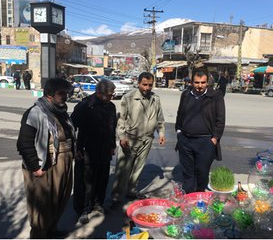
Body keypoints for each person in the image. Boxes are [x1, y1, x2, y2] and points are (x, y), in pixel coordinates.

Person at [17, 78, 75, 238]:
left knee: (60, 198)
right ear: (49, 94)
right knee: (42, 204)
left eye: (66, 93)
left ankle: (51, 230)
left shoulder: (61, 112)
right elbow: (24, 143)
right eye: (61, 93)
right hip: (45, 165)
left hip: (64, 162)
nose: (65, 96)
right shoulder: (36, 112)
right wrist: (35, 167)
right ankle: (39, 234)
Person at [110, 72, 166, 208]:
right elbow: (121, 120)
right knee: (123, 170)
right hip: (129, 140)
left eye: (150, 85)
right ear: (138, 83)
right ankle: (116, 197)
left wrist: (162, 133)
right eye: (144, 85)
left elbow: (160, 119)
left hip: (147, 140)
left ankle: (131, 191)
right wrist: (122, 137)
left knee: (138, 168)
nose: (147, 88)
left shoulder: (155, 99)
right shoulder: (128, 98)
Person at [71, 79, 117, 224]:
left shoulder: (111, 107)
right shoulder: (85, 106)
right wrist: (75, 148)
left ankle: (98, 204)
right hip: (86, 149)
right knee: (85, 182)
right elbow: (71, 127)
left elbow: (112, 128)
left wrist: (112, 145)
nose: (111, 97)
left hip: (104, 149)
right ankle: (83, 209)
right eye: (109, 95)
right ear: (99, 93)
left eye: (112, 94)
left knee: (102, 179)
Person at [175, 69, 225, 194]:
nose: (200, 86)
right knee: (187, 171)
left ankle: (199, 195)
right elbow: (180, 113)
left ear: (207, 82)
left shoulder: (215, 96)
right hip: (185, 140)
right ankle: (189, 196)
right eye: (197, 83)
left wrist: (215, 138)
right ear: (191, 82)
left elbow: (221, 119)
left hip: (205, 141)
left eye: (203, 82)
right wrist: (179, 132)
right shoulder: (186, 94)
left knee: (202, 171)